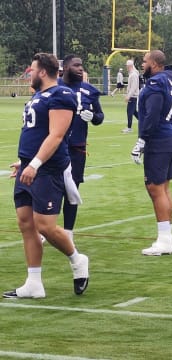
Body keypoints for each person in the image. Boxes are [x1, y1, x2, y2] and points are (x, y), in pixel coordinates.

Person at [3, 53, 89, 299]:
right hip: (30, 165)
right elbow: (37, 133)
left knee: (45, 226)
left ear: (42, 72)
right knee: (25, 223)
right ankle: (33, 283)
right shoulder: (39, 96)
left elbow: (56, 135)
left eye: (32, 70)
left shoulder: (61, 95)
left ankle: (77, 259)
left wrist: (36, 164)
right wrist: (24, 162)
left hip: (47, 169)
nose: (29, 75)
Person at [131, 50, 172, 256]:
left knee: (155, 188)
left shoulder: (156, 83)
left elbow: (152, 113)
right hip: (171, 136)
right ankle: (167, 236)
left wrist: (142, 139)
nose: (143, 65)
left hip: (160, 139)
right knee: (164, 189)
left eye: (144, 62)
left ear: (154, 63)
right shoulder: (170, 81)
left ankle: (164, 239)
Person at [58, 54, 104, 245]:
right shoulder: (54, 86)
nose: (80, 69)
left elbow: (100, 116)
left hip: (77, 147)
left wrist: (92, 116)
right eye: (76, 65)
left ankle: (68, 231)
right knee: (51, 188)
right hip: (55, 146)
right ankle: (48, 228)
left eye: (81, 65)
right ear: (66, 67)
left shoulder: (89, 90)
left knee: (72, 190)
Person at [122, 59, 139, 133]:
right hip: (132, 96)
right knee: (134, 112)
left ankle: (129, 128)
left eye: (127, 66)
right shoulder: (132, 74)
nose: (126, 67)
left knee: (130, 112)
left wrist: (129, 96)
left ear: (130, 66)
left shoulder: (134, 75)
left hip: (133, 96)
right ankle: (144, 122)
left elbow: (133, 87)